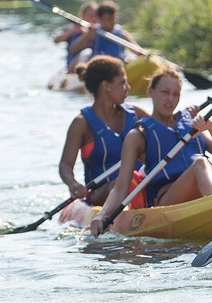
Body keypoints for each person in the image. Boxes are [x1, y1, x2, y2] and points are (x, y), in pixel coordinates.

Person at [90, 67, 212, 235]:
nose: (170, 99)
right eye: (165, 92)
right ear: (150, 91)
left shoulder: (189, 125)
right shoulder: (138, 135)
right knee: (201, 163)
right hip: (168, 198)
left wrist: (211, 128)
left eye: (176, 94)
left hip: (204, 190)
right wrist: (102, 215)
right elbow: (121, 187)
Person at [58, 56, 151, 206]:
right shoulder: (81, 123)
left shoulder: (136, 113)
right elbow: (65, 165)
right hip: (100, 195)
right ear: (106, 85)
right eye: (122, 83)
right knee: (117, 185)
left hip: (140, 186)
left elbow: (163, 131)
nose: (128, 87)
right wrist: (73, 184)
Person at [69, 0, 139, 62]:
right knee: (84, 53)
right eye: (108, 19)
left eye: (113, 18)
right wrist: (87, 35)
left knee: (130, 58)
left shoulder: (121, 34)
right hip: (100, 66)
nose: (112, 22)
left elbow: (137, 51)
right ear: (100, 20)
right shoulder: (94, 33)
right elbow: (73, 49)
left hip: (118, 66)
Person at [53, 0, 98, 72]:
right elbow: (56, 40)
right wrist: (71, 32)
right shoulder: (71, 27)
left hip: (93, 62)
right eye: (91, 16)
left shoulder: (99, 30)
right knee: (86, 52)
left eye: (96, 16)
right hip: (73, 65)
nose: (94, 19)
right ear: (83, 15)